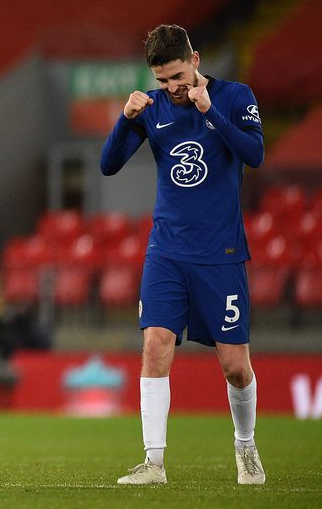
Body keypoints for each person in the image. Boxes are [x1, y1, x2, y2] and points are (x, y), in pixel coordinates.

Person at [101, 24, 265, 486]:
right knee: (155, 344)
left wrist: (211, 113)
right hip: (167, 249)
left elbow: (254, 154)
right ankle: (153, 462)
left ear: (195, 60)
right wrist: (126, 118)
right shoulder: (154, 110)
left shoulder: (234, 96)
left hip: (221, 252)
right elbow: (108, 165)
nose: (172, 88)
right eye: (161, 80)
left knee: (235, 368)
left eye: (177, 76)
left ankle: (246, 445)